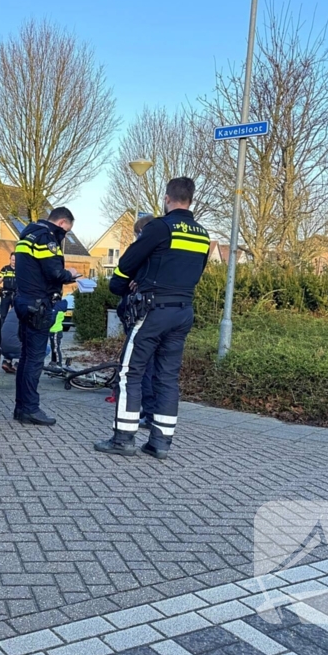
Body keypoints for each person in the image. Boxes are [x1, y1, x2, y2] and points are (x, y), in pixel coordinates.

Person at [95, 178, 210, 459]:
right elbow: (195, 270)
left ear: (167, 198)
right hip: (183, 311)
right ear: (191, 200)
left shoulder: (160, 227)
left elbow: (127, 265)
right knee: (168, 377)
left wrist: (120, 287)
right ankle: (160, 443)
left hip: (153, 311)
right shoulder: (202, 235)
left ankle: (123, 439)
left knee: (130, 372)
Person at [13, 206, 80, 425]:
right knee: (34, 359)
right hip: (38, 305)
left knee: (25, 357)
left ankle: (21, 407)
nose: (65, 235)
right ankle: (30, 409)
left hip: (24, 302)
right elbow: (54, 272)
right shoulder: (46, 238)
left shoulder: (27, 236)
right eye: (66, 230)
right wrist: (70, 274)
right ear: (62, 223)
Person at [114, 214, 157, 427]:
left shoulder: (142, 251)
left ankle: (134, 416)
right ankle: (150, 412)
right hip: (163, 316)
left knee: (136, 367)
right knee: (155, 367)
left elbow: (120, 278)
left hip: (139, 315)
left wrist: (134, 282)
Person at [47, 297, 69, 369]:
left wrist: (46, 327)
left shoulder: (56, 308)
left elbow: (52, 320)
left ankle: (58, 363)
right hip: (55, 330)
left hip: (55, 330)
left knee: (56, 348)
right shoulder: (59, 307)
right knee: (54, 347)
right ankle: (54, 362)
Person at [0, 253, 17, 322]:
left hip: (16, 295)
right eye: (13, 260)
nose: (14, 262)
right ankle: (2, 331)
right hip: (6, 294)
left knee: (16, 315)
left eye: (15, 260)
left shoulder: (20, 270)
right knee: (3, 315)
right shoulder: (5, 269)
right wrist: (3, 278)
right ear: (10, 259)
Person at [0, 307, 21, 373]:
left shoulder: (12, 310)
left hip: (2, 347)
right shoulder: (29, 310)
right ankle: (19, 364)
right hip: (17, 349)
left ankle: (6, 361)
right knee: (47, 349)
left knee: (10, 337)